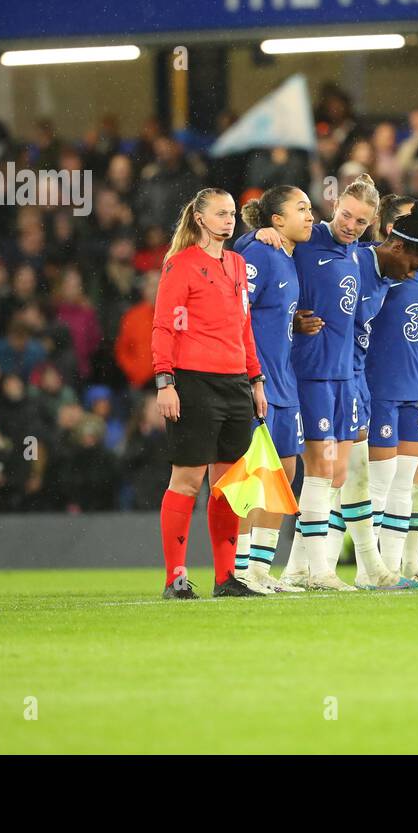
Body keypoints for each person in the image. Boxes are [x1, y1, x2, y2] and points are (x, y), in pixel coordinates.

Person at [151, 188, 268, 600]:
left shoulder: (237, 264)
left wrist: (256, 380)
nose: (229, 220)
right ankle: (175, 578)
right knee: (185, 481)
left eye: (232, 214)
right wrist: (165, 381)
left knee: (228, 486)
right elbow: (164, 325)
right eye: (220, 214)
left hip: (235, 382)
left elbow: (244, 326)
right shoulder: (179, 266)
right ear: (200, 219)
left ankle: (225, 578)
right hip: (194, 382)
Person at [272, 174, 380, 592]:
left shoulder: (361, 256)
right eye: (346, 214)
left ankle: (300, 569)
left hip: (343, 377)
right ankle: (318, 572)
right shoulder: (307, 238)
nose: (350, 225)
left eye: (360, 221)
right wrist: (292, 316)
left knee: (333, 475)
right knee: (318, 473)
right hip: (309, 374)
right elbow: (262, 252)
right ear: (335, 206)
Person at [339, 198, 418, 589]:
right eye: (414, 263)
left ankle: (391, 569)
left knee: (401, 484)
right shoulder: (360, 262)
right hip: (367, 385)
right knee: (363, 482)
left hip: (408, 388)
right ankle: (360, 570)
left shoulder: (404, 272)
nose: (416, 272)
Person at [230, 186, 313, 593]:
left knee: (284, 472)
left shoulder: (288, 257)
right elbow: (235, 309)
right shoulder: (260, 253)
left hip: (285, 381)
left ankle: (261, 569)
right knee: (252, 476)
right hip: (258, 381)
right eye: (301, 209)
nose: (310, 216)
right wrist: (249, 236)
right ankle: (240, 569)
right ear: (276, 220)